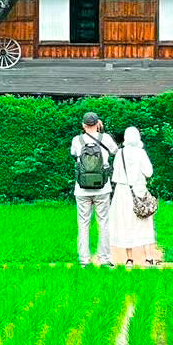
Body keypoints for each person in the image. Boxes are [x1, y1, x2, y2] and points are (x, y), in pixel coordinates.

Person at [70, 110, 118, 266]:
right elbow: (115, 151)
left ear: (83, 125)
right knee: (103, 223)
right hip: (102, 189)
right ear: (98, 123)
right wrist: (101, 132)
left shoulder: (77, 140)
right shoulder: (106, 138)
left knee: (83, 224)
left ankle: (84, 261)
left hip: (81, 189)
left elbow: (73, 154)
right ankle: (105, 259)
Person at [109, 126, 156, 267]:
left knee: (125, 224)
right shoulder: (141, 153)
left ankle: (129, 259)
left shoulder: (120, 153)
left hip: (122, 192)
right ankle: (148, 257)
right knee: (144, 222)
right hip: (139, 190)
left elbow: (115, 173)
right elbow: (149, 172)